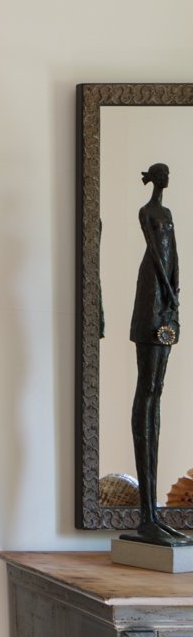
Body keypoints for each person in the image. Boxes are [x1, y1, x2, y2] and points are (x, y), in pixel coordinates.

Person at [127, 162, 190, 545]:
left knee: (156, 392)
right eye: (162, 175)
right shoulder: (147, 211)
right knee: (147, 392)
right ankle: (147, 517)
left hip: (166, 299)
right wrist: (167, 289)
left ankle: (153, 516)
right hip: (151, 293)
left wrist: (176, 291)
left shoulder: (166, 212)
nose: (166, 180)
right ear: (155, 178)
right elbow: (154, 253)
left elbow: (174, 253)